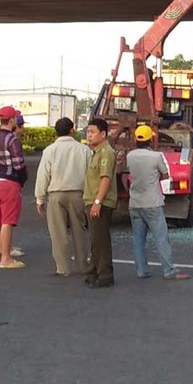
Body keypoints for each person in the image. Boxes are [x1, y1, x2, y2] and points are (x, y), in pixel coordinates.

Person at [127, 125, 190, 281]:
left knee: (138, 238)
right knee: (161, 237)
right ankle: (169, 269)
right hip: (153, 202)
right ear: (151, 139)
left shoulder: (130, 156)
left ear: (135, 139)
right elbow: (165, 174)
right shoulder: (156, 157)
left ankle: (142, 270)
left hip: (135, 202)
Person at [35, 117, 91, 277]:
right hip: (78, 194)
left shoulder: (50, 150)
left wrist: (40, 198)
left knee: (58, 232)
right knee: (79, 231)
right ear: (72, 130)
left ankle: (63, 268)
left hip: (56, 194)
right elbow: (89, 175)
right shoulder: (84, 150)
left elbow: (43, 175)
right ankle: (83, 265)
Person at [0, 106, 28, 269]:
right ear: (11, 120)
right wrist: (21, 178)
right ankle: (6, 259)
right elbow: (19, 164)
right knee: (7, 221)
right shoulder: (13, 140)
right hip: (10, 183)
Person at [84, 119, 117, 288]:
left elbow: (105, 178)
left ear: (103, 134)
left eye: (92, 132)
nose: (89, 135)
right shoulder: (96, 152)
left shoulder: (106, 152)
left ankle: (105, 274)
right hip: (93, 200)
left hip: (101, 202)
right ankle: (94, 271)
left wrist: (97, 202)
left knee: (100, 239)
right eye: (88, 132)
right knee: (95, 239)